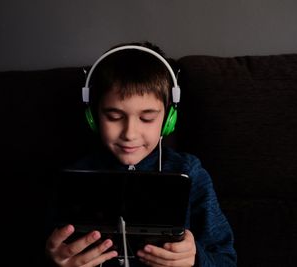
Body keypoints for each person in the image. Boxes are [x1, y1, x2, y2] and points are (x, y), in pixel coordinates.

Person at [45, 42, 237, 267]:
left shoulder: (188, 171)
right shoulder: (74, 177)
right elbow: (51, 250)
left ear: (168, 121)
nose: (130, 134)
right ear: (93, 118)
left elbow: (226, 260)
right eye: (115, 117)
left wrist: (195, 259)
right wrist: (57, 261)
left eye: (147, 118)